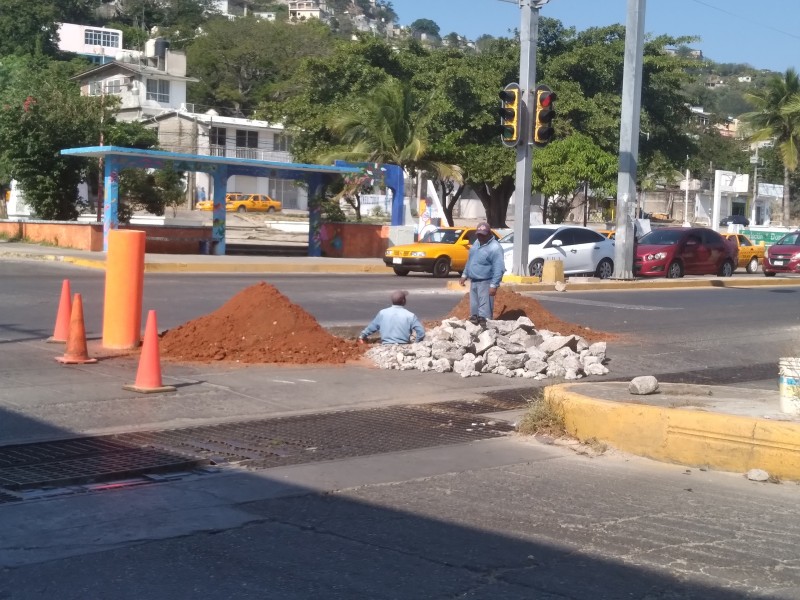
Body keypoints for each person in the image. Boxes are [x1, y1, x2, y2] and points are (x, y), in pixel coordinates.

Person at [460, 222, 505, 326]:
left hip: (486, 282)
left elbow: (499, 268)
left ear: (489, 234)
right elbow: (470, 260)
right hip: (474, 281)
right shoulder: (476, 244)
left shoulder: (495, 248)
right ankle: (474, 325)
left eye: (483, 235)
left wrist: (494, 285)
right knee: (474, 309)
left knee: (484, 313)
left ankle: (486, 332)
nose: (480, 237)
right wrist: (464, 275)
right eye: (479, 234)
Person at [359, 290, 425, 345]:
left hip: (386, 346)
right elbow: (421, 332)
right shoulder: (410, 315)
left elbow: (371, 327)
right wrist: (415, 344)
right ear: (403, 301)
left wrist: (362, 336)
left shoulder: (382, 313)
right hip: (403, 346)